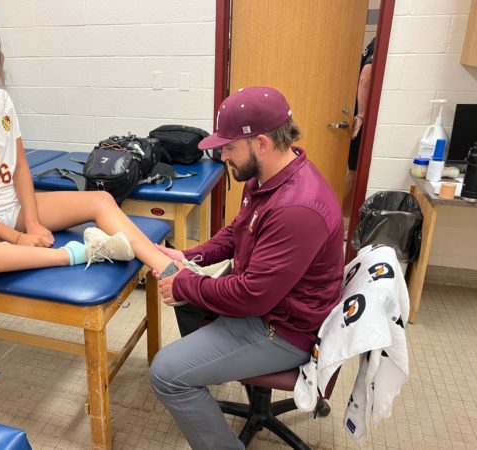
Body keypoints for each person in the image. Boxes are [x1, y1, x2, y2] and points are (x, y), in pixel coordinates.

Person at [149, 86, 345, 449]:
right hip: (271, 304)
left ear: (262, 143)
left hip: (284, 330)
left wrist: (185, 285)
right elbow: (239, 231)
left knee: (166, 373)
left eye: (228, 147)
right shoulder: (266, 178)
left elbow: (252, 296)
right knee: (191, 303)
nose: (222, 155)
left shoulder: (297, 209)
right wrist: (194, 256)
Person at [0, 17, 173, 276]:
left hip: (14, 208)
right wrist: (15, 238)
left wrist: (31, 222)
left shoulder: (1, 100)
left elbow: (19, 167)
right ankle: (72, 255)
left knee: (101, 200)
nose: (2, 55)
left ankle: (169, 268)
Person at [342, 37, 375, 229]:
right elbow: (366, 76)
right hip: (359, 121)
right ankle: (343, 222)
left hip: (356, 117)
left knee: (352, 172)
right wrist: (361, 114)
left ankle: (343, 221)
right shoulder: (378, 43)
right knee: (354, 173)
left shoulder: (372, 43)